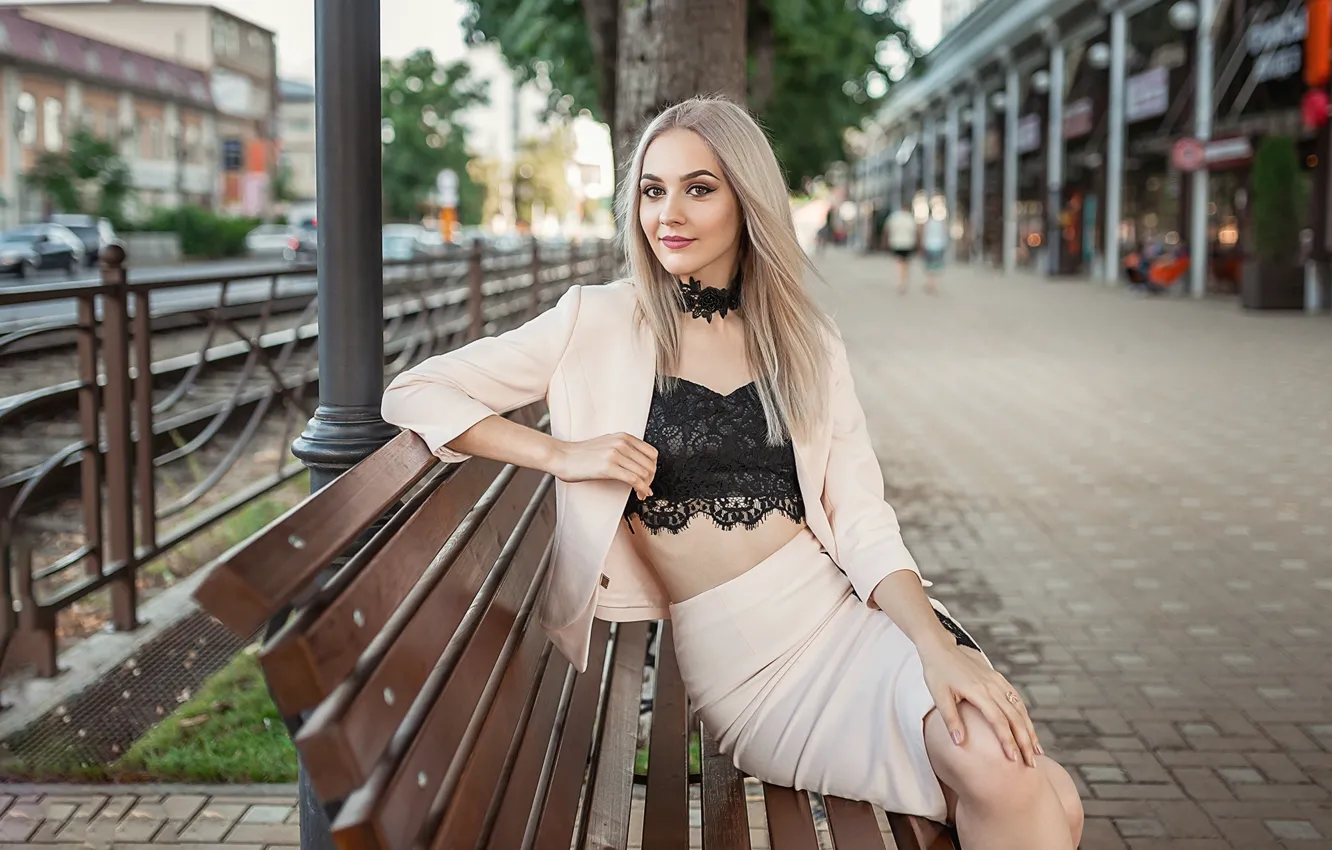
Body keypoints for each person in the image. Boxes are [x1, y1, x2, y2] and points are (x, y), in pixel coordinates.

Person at [381, 96, 1083, 849]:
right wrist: (561, 453)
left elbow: (860, 515)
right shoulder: (597, 320)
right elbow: (412, 391)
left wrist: (933, 647)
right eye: (653, 189)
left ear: (747, 200)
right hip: (755, 672)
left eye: (699, 187)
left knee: (1036, 786)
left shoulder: (805, 336)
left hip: (850, 617)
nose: (668, 213)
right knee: (1022, 786)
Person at [885, 206, 918, 293]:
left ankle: (900, 280)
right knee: (906, 263)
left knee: (899, 262)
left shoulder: (895, 217)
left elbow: (888, 229)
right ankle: (904, 280)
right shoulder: (910, 218)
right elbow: (915, 231)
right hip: (908, 243)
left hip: (897, 243)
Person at [921, 213, 949, 294]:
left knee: (929, 266)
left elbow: (924, 233)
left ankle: (929, 283)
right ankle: (935, 284)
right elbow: (944, 234)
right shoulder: (942, 223)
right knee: (937, 266)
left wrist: (923, 243)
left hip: (929, 245)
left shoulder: (928, 223)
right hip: (939, 245)